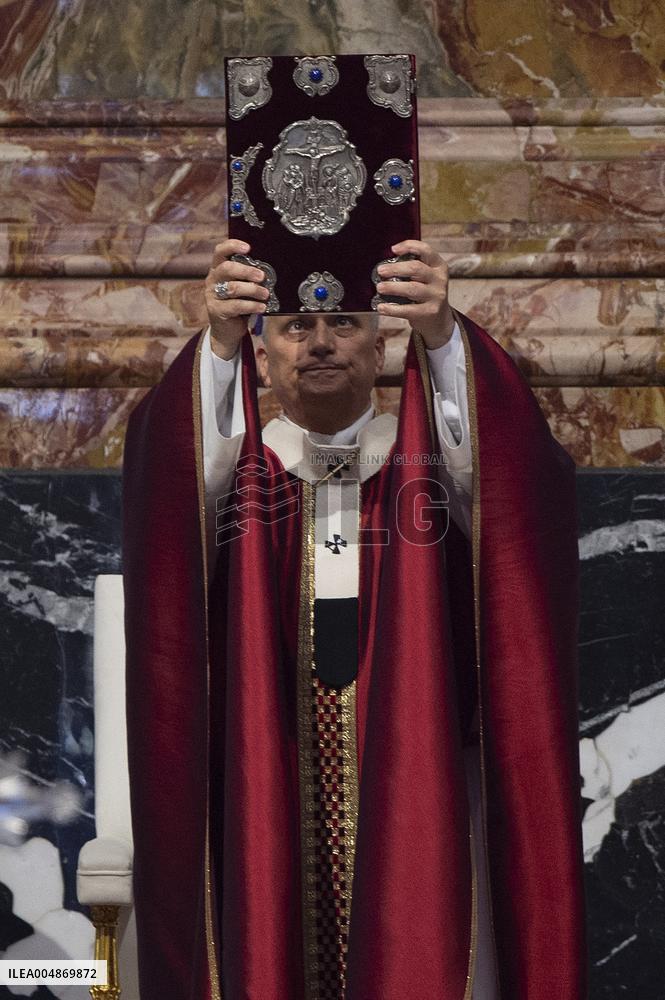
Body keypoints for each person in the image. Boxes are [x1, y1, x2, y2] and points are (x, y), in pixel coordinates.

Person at [122, 237, 588, 999]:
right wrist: (215, 342)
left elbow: (513, 485)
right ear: (262, 358)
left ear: (380, 346)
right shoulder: (239, 469)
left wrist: (442, 336)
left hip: (418, 769)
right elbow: (169, 494)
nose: (319, 343)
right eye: (294, 327)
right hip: (264, 770)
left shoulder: (431, 466)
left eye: (342, 322)